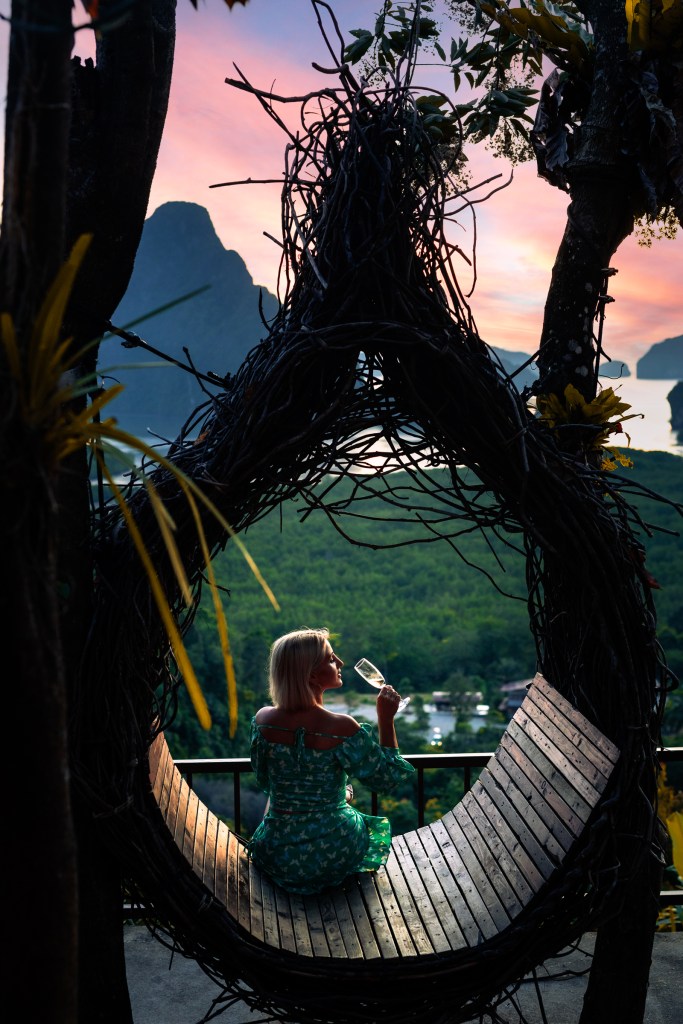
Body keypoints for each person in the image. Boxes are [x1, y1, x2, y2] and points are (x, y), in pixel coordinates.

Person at [248, 627, 415, 895]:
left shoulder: (263, 720)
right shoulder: (339, 727)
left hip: (278, 853)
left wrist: (333, 795)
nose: (340, 663)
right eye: (330, 658)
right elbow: (387, 777)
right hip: (333, 850)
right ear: (311, 674)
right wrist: (386, 718)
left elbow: (269, 780)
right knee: (366, 827)